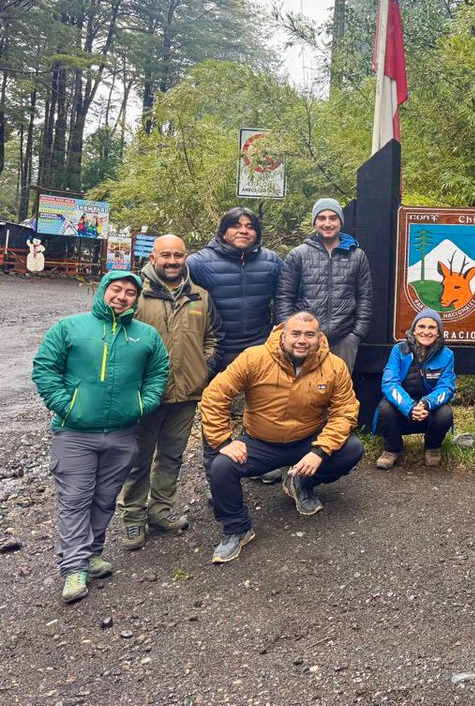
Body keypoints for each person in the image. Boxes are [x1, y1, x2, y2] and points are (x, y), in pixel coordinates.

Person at [31, 271, 170, 603]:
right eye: (116, 289)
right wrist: (67, 405)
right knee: (75, 500)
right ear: (103, 291)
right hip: (75, 433)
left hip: (122, 434)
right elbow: (44, 368)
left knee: (105, 498)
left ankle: (91, 553)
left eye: (129, 293)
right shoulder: (69, 328)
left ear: (137, 300)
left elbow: (159, 373)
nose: (121, 297)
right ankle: (74, 567)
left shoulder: (146, 336)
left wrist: (142, 403)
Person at [199, 312, 364, 564]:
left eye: (310, 335)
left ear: (320, 338)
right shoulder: (254, 358)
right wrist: (224, 441)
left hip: (307, 441)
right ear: (283, 334)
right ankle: (237, 529)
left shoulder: (334, 366)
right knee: (221, 466)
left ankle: (301, 483)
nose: (302, 340)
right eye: (296, 334)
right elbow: (214, 396)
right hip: (260, 441)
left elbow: (346, 411)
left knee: (351, 449)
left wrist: (319, 451)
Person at [118, 235, 221, 551]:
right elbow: (115, 339)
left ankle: (160, 512)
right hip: (145, 397)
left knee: (172, 457)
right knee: (137, 460)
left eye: (178, 255)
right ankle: (133, 520)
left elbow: (212, 337)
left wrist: (205, 367)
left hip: (187, 394)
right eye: (166, 255)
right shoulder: (135, 295)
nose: (172, 261)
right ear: (153, 258)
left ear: (185, 257)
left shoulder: (200, 296)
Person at [278, 198, 373, 373]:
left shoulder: (357, 256)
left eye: (333, 218)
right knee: (303, 391)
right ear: (315, 222)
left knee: (339, 392)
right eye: (321, 218)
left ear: (340, 222)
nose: (327, 223)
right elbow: (284, 297)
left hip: (344, 337)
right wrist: (289, 332)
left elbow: (365, 297)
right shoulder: (298, 255)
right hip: (304, 338)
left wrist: (356, 334)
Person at [187, 206, 283, 371]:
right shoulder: (198, 263)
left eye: (250, 227)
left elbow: (284, 297)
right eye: (236, 226)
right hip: (217, 349)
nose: (243, 231)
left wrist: (279, 332)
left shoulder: (271, 261)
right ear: (223, 232)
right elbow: (187, 303)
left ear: (257, 233)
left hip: (260, 346)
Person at [374, 309, 457, 469]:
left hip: (428, 409)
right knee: (385, 407)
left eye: (432, 328)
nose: (426, 332)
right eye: (421, 326)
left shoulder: (447, 355)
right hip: (403, 409)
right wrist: (410, 407)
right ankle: (392, 449)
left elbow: (446, 387)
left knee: (445, 412)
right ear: (414, 330)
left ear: (439, 333)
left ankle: (432, 447)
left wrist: (427, 403)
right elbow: (389, 383)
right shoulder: (399, 350)